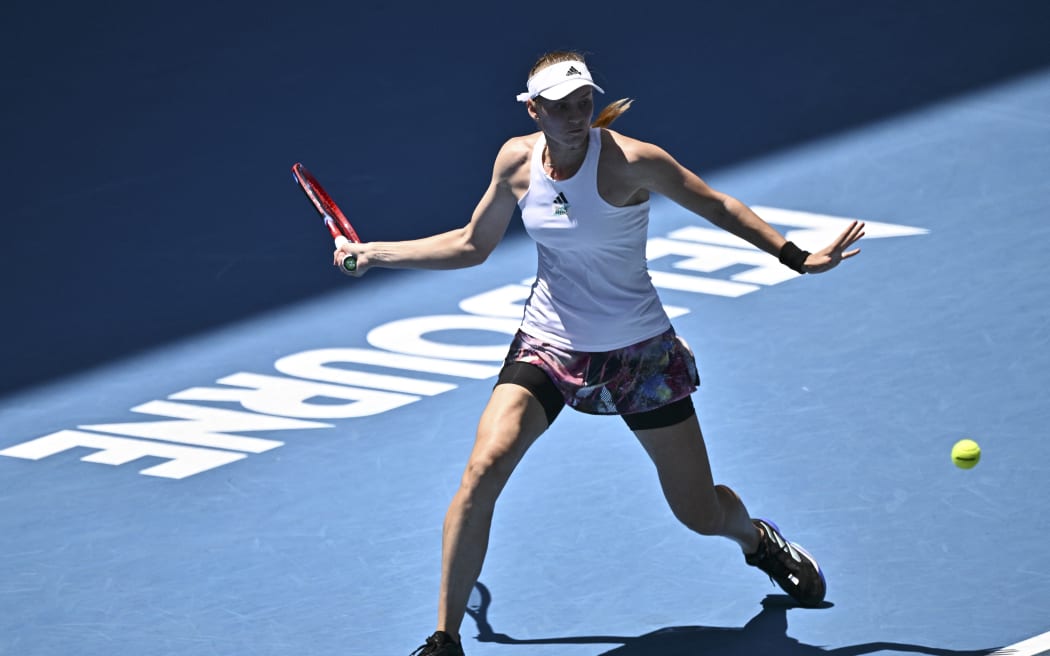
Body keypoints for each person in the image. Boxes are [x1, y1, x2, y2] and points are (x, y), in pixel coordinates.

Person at [332, 51, 865, 656]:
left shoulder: (633, 162)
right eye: (560, 107)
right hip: (549, 344)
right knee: (483, 469)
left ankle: (754, 539)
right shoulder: (516, 161)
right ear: (534, 111)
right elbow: (470, 244)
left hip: (639, 354)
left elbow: (716, 205)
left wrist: (795, 256)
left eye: (584, 101)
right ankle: (443, 641)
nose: (577, 116)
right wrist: (373, 252)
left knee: (698, 512)